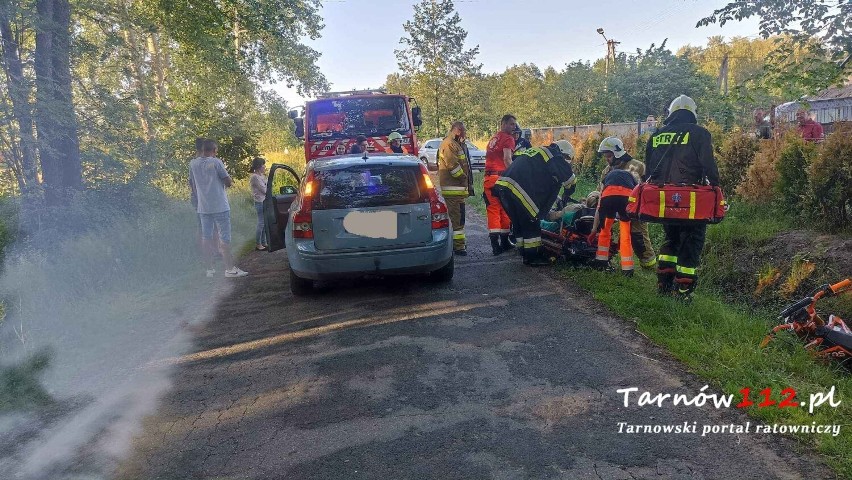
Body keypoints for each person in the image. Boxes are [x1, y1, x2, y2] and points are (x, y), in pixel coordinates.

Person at [645, 95, 719, 300]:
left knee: (671, 238)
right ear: (692, 113)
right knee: (692, 241)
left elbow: (649, 169)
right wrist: (717, 188)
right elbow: (708, 166)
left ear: (671, 113)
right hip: (691, 200)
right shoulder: (700, 134)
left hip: (663, 200)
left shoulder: (657, 135)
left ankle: (664, 283)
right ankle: (683, 291)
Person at [494, 140, 576, 266]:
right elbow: (569, 179)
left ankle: (523, 251)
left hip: (504, 185)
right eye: (565, 158)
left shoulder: (539, 151)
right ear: (563, 153)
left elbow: (539, 178)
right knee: (531, 219)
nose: (564, 161)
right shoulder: (554, 155)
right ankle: (533, 256)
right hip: (519, 187)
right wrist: (569, 192)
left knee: (519, 222)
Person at [189, 139, 249, 278]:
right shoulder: (216, 162)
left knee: (206, 237)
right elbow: (228, 182)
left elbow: (192, 184)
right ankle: (230, 268)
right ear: (214, 150)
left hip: (203, 207)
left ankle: (209, 269)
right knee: (224, 237)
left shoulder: (193, 164)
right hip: (220, 206)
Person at [596, 137, 656, 268]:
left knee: (638, 235)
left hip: (635, 206)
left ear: (617, 153)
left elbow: (648, 187)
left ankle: (648, 263)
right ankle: (603, 258)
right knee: (603, 230)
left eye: (609, 155)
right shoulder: (606, 171)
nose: (607, 159)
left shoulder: (638, 166)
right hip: (612, 207)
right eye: (605, 156)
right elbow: (601, 191)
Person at [590, 169, 639, 276]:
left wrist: (594, 229)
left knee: (605, 229)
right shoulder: (631, 177)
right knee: (625, 235)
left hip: (608, 198)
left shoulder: (606, 178)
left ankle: (601, 262)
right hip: (626, 199)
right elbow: (637, 194)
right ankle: (627, 270)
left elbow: (599, 206)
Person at [438, 121, 474, 255]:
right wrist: (464, 178)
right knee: (457, 219)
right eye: (464, 131)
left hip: (457, 190)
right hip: (453, 189)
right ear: (458, 130)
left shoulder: (456, 143)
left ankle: (458, 245)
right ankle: (458, 247)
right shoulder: (449, 144)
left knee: (460, 218)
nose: (465, 134)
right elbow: (453, 166)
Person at [484, 114, 517, 255]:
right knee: (501, 210)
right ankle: (499, 243)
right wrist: (516, 175)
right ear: (503, 124)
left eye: (514, 124)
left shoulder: (494, 138)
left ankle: (500, 243)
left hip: (489, 179)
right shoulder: (508, 139)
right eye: (510, 124)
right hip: (501, 178)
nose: (513, 127)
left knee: (499, 210)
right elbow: (507, 159)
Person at [250, 157, 268, 251]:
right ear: (259, 166)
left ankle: (263, 242)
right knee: (261, 223)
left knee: (264, 223)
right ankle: (258, 244)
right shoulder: (255, 177)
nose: (264, 166)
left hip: (264, 201)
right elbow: (264, 190)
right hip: (260, 202)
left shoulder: (261, 176)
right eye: (263, 165)